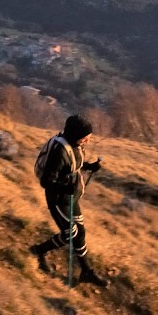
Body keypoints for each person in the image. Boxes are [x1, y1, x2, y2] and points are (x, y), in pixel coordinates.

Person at [30, 113, 107, 286]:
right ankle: (38, 250)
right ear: (75, 135)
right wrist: (65, 188)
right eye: (85, 138)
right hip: (58, 199)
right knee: (71, 234)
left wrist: (89, 166)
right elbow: (47, 181)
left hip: (71, 198)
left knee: (80, 234)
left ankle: (86, 272)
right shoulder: (59, 151)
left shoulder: (73, 144)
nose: (87, 141)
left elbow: (73, 165)